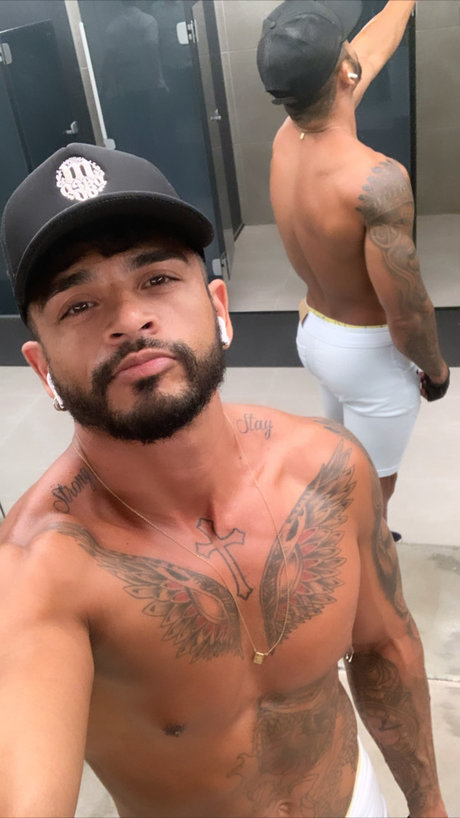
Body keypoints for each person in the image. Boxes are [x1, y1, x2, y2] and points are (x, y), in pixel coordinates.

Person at [0, 143, 446, 818]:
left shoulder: (327, 468)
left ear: (219, 308)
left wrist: (430, 804)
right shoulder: (41, 572)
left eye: (156, 279)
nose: (129, 320)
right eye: (79, 305)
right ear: (43, 370)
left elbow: (385, 646)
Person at [257, 0, 450, 525]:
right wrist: (436, 371)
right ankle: (366, 558)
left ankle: (343, 534)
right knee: (373, 499)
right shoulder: (376, 181)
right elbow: (407, 312)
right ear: (345, 72)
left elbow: (373, 47)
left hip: (316, 334)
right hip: (369, 357)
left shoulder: (285, 139)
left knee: (343, 463)